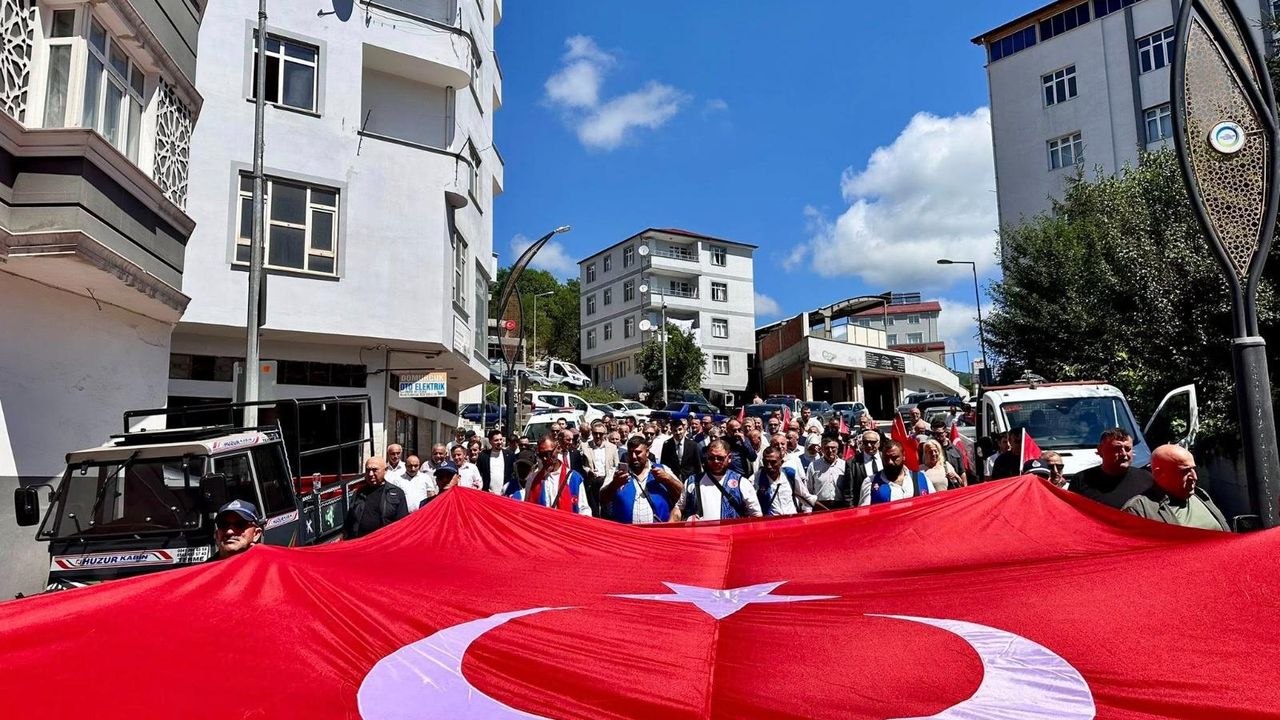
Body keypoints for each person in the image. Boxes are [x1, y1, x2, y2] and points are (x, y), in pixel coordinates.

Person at [1122, 445, 1229, 531]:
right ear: (1159, 473)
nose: (1194, 477)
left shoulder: (1200, 495)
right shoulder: (1139, 510)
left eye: (1193, 469)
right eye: (1185, 471)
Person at [673, 439, 762, 521]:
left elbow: (756, 515)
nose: (716, 461)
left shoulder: (742, 483)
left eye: (720, 458)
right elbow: (679, 508)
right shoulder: (692, 482)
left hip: (730, 536)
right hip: (699, 536)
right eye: (711, 458)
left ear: (729, 457)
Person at [600, 436, 683, 523]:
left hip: (657, 531)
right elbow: (602, 498)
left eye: (638, 452)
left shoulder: (663, 470)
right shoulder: (616, 472)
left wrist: (668, 479)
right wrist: (614, 484)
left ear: (647, 452)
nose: (634, 456)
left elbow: (682, 496)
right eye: (630, 453)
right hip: (625, 532)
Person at [1069, 428, 1154, 509]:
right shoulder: (1081, 480)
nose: (1124, 454)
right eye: (1116, 449)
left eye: (1128, 449)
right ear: (1100, 450)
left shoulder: (1147, 479)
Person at [523, 435, 592, 514]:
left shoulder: (574, 478)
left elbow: (583, 509)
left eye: (548, 454)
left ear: (558, 449)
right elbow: (527, 508)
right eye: (541, 455)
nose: (545, 459)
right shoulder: (532, 480)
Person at [344, 457, 409, 538]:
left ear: (385, 470)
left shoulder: (396, 493)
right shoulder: (358, 493)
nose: (371, 474)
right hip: (360, 543)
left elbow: (402, 524)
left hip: (383, 544)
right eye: (368, 470)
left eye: (375, 470)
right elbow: (349, 520)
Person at [859, 440, 931, 506]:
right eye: (886, 458)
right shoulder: (870, 482)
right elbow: (864, 514)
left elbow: (934, 506)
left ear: (903, 456)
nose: (890, 462)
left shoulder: (922, 478)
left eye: (894, 458)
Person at [755, 446, 819, 516]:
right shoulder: (756, 479)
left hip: (792, 521)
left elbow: (806, 497)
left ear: (781, 462)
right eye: (766, 462)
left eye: (773, 462)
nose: (769, 466)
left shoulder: (790, 475)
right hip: (771, 523)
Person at [581, 421, 618, 515]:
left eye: (600, 434)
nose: (597, 436)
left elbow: (616, 465)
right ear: (592, 433)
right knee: (594, 510)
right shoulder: (585, 447)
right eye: (595, 433)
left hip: (607, 481)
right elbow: (582, 465)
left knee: (607, 510)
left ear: (605, 435)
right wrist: (588, 471)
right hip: (592, 481)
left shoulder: (612, 447)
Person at [840, 430, 883, 506]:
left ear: (878, 443)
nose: (869, 445)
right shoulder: (852, 462)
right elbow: (849, 491)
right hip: (863, 506)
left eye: (872, 442)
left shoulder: (886, 458)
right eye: (866, 442)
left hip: (884, 504)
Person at [805, 434, 846, 509]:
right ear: (822, 449)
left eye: (833, 448)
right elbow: (808, 488)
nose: (830, 451)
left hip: (839, 505)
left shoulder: (844, 465)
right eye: (827, 448)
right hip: (820, 505)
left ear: (837, 448)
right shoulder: (814, 465)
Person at [932, 418, 975, 486]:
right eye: (934, 434)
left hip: (954, 487)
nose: (936, 437)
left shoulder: (955, 450)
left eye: (939, 434)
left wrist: (964, 486)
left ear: (945, 432)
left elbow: (962, 472)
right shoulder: (930, 451)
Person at [477, 429, 517, 496]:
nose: (499, 442)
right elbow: (480, 474)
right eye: (496, 440)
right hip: (488, 494)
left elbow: (513, 474)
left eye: (501, 439)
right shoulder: (483, 456)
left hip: (506, 495)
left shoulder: (510, 455)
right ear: (490, 441)